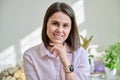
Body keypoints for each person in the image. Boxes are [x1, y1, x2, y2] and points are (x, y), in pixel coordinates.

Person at [23, 2, 90, 80]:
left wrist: (66, 62)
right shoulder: (30, 55)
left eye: (65, 25)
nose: (60, 30)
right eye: (55, 23)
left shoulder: (81, 54)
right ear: (46, 24)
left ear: (70, 29)